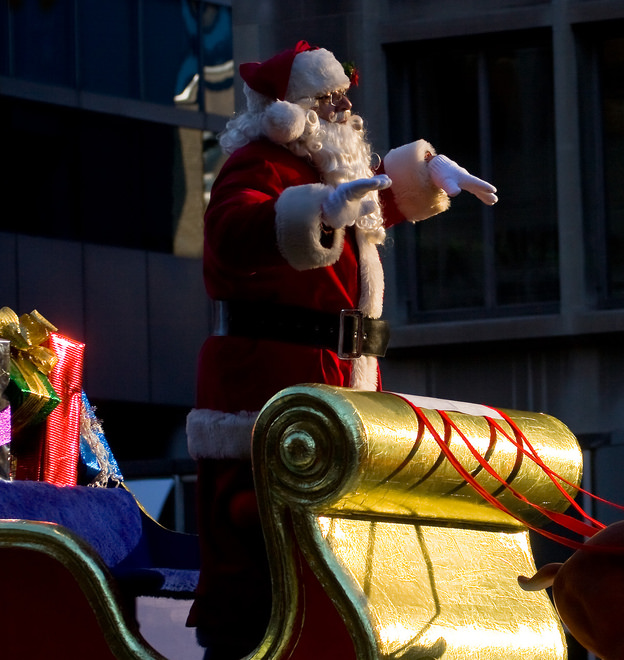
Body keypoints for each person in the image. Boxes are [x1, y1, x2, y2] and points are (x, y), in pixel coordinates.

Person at [184, 40, 497, 658]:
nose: (345, 107)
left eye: (343, 97)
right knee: (257, 535)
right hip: (269, 383)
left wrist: (427, 174)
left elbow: (367, 201)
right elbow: (231, 233)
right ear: (288, 111)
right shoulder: (258, 165)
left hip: (338, 379)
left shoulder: (325, 166)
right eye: (329, 98)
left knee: (335, 539)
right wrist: (316, 213)